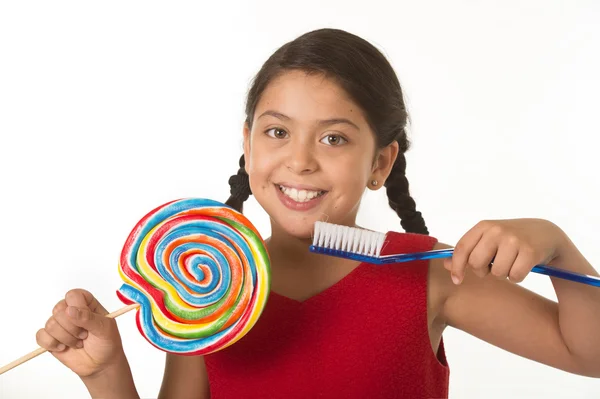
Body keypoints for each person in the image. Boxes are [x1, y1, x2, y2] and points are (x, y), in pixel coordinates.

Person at [36, 28, 600, 398]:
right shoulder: (207, 291)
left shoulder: (431, 276)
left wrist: (557, 245)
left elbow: (589, 355)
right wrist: (105, 372)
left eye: (333, 139)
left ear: (379, 163)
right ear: (249, 146)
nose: (300, 161)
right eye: (277, 131)